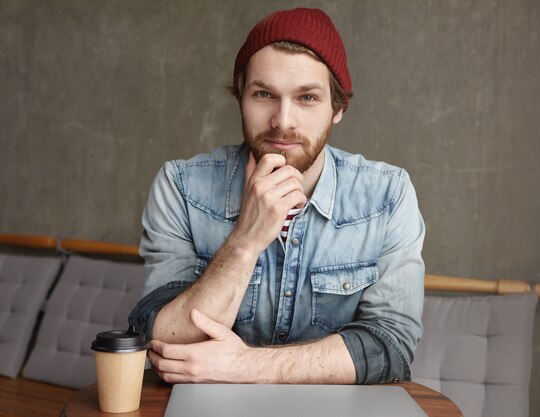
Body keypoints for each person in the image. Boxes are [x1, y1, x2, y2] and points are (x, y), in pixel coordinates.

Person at [129, 7, 425, 385]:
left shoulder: (388, 195)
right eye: (264, 93)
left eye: (307, 98)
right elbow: (160, 338)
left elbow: (391, 347)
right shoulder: (181, 186)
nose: (283, 121)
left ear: (338, 108)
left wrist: (244, 366)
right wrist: (245, 242)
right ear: (240, 96)